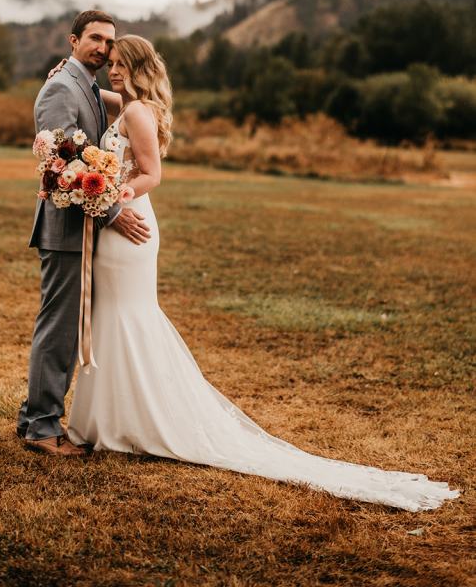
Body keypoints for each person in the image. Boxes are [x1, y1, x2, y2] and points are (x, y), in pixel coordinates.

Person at [66, 34, 459, 511]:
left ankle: (133, 420)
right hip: (117, 223)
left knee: (128, 314)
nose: (114, 72)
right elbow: (99, 96)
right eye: (112, 65)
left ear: (139, 67)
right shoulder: (129, 105)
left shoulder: (138, 114)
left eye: (122, 65)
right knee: (113, 313)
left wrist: (115, 194)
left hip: (130, 225)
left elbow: (152, 174)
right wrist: (70, 75)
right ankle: (112, 417)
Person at [17, 11, 151, 456]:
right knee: (58, 329)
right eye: (94, 38)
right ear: (74, 40)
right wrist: (112, 211)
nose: (103, 48)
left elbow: (125, 112)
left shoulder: (87, 85)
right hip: (66, 227)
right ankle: (41, 428)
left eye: (108, 42)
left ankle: (34, 416)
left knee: (65, 328)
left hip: (84, 228)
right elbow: (61, 163)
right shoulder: (61, 86)